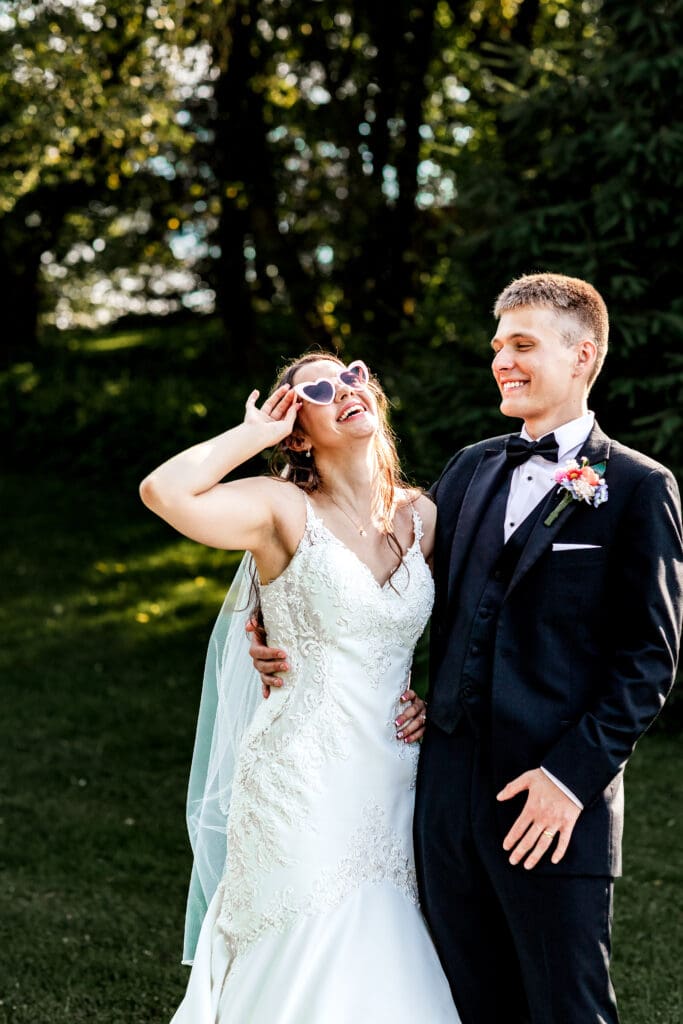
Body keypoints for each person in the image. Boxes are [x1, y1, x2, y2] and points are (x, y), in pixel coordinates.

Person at [250, 274, 683, 1024]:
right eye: (495, 346)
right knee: (466, 1004)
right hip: (440, 796)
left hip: (549, 806)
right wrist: (273, 629)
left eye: (522, 345)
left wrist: (569, 779)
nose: (500, 361)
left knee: (566, 1007)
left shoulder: (640, 488)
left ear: (581, 356)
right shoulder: (467, 470)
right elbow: (379, 579)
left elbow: (647, 661)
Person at [139, 353, 460, 1022]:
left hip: (394, 775)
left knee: (389, 950)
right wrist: (254, 434)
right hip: (299, 776)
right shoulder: (281, 509)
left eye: (351, 374)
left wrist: (440, 703)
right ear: (298, 431)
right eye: (315, 388)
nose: (344, 388)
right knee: (309, 944)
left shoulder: (423, 517)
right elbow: (163, 492)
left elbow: (472, 631)